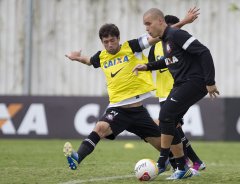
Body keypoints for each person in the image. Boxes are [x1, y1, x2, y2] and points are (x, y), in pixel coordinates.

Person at [63, 8, 199, 179]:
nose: (110, 45)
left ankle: (181, 166)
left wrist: (183, 22)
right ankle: (77, 157)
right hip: (118, 108)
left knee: (162, 143)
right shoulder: (102, 56)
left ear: (118, 39)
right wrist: (77, 57)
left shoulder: (131, 46)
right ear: (102, 42)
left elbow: (159, 35)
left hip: (138, 111)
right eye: (105, 42)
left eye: (112, 40)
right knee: (100, 127)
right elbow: (89, 61)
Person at [133, 8, 219, 180]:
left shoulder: (176, 34)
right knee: (170, 121)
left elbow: (204, 52)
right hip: (181, 84)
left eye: (148, 24)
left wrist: (210, 81)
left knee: (165, 115)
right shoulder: (165, 41)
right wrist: (148, 66)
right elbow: (168, 60)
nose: (147, 29)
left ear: (160, 21)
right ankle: (181, 167)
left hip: (194, 81)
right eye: (145, 25)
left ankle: (163, 161)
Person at [148, 14, 206, 171]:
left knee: (172, 126)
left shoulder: (177, 42)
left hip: (177, 89)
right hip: (163, 92)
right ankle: (189, 162)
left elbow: (200, 54)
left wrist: (184, 22)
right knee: (173, 127)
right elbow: (152, 66)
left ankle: (177, 162)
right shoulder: (156, 46)